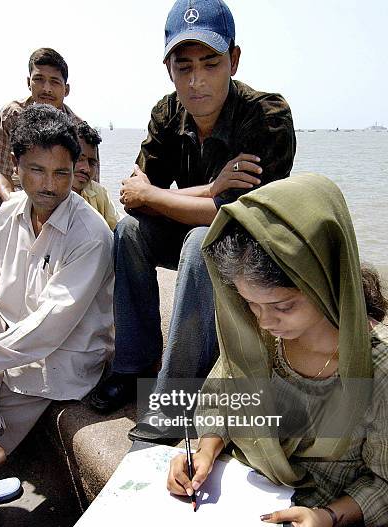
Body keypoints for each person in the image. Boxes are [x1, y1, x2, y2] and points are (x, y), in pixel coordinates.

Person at [167, 174, 388, 527]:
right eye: (250, 304)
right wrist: (202, 451)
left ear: (324, 281)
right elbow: (223, 399)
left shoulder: (376, 370)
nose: (265, 321)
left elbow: (383, 482)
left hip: (309, 510)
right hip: (231, 488)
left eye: (282, 306)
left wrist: (323, 518)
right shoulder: (262, 335)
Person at [91, 0, 296, 442]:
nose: (196, 80)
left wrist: (161, 196)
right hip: (198, 232)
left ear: (234, 61)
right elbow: (134, 200)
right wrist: (208, 189)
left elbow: (238, 215)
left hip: (255, 250)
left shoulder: (267, 115)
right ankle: (135, 364)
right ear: (169, 69)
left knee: (204, 236)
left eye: (210, 63)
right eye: (183, 67)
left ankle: (176, 399)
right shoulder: (167, 113)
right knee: (128, 234)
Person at [0, 105, 114, 527]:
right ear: (15, 166)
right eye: (37, 170)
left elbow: (48, 329)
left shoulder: (91, 235)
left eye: (62, 173)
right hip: (7, 336)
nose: (50, 185)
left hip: (56, 363)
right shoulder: (9, 215)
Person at [0, 48, 82, 250]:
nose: (46, 88)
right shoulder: (11, 115)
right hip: (19, 191)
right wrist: (13, 205)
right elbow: (0, 170)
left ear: (66, 89)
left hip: (60, 198)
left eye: (54, 82)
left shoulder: (79, 128)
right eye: (39, 79)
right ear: (28, 82)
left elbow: (86, 181)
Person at [72, 122, 120, 230]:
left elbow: (116, 228)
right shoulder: (49, 195)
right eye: (80, 159)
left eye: (92, 162)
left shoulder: (99, 193)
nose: (86, 168)